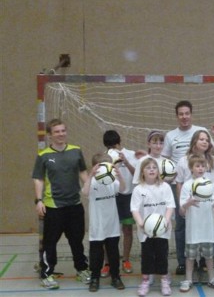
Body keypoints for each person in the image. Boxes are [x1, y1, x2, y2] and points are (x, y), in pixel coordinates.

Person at [161, 100, 214, 275]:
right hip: (184, 195)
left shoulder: (209, 153)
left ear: (191, 114)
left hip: (207, 198)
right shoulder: (173, 140)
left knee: (211, 228)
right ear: (177, 116)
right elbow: (172, 172)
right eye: (181, 114)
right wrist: (181, 202)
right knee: (182, 227)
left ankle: (212, 262)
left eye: (187, 113)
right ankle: (184, 262)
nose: (184, 116)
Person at [32, 118, 91, 289]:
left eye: (63, 130)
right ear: (50, 135)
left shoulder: (76, 151)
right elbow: (38, 179)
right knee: (50, 242)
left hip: (75, 204)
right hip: (53, 206)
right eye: (57, 132)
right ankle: (47, 274)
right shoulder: (43, 156)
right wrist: (39, 200)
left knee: (77, 241)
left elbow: (82, 172)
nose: (61, 134)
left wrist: (89, 190)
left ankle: (82, 269)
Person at [175, 130, 214, 279]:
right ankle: (185, 264)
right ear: (194, 141)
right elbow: (179, 183)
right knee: (188, 234)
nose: (204, 142)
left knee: (211, 234)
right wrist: (182, 204)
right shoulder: (183, 160)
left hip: (208, 207)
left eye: (207, 140)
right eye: (201, 139)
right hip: (192, 207)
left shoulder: (213, 160)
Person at [131, 157, 175, 297]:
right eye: (148, 167)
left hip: (162, 230)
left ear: (158, 171)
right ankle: (145, 281)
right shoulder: (138, 189)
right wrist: (141, 223)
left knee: (162, 254)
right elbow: (134, 209)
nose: (151, 170)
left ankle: (163, 280)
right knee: (147, 256)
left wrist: (166, 221)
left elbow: (170, 205)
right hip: (146, 231)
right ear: (142, 171)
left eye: (154, 167)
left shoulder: (165, 187)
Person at [82, 153, 126, 292]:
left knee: (113, 252)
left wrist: (119, 175)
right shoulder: (93, 182)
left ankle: (115, 277)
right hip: (97, 225)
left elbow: (123, 189)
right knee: (96, 254)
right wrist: (90, 176)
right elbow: (84, 192)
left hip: (112, 224)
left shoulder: (112, 181)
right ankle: (95, 278)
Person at [101, 130, 137, 277]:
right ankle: (107, 263)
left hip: (127, 197)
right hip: (111, 197)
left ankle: (126, 260)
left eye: (114, 146)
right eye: (109, 147)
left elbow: (138, 174)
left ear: (119, 143)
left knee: (127, 230)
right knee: (109, 232)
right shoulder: (104, 157)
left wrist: (126, 162)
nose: (112, 149)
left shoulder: (131, 154)